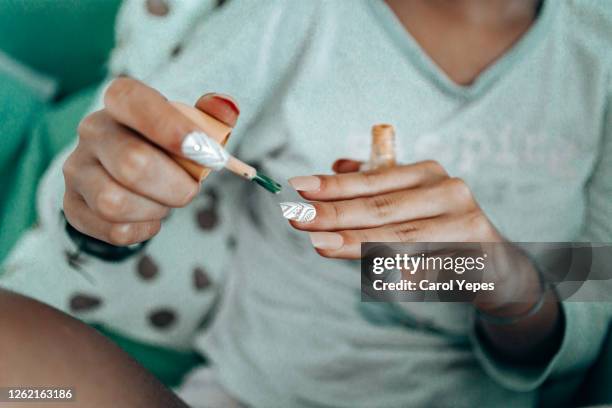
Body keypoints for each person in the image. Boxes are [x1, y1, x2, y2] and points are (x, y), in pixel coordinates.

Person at [1, 0, 612, 406]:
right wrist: (106, 208)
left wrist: (496, 278)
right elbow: (142, 150)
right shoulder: (297, 14)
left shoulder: (598, 48)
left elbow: (587, 315)